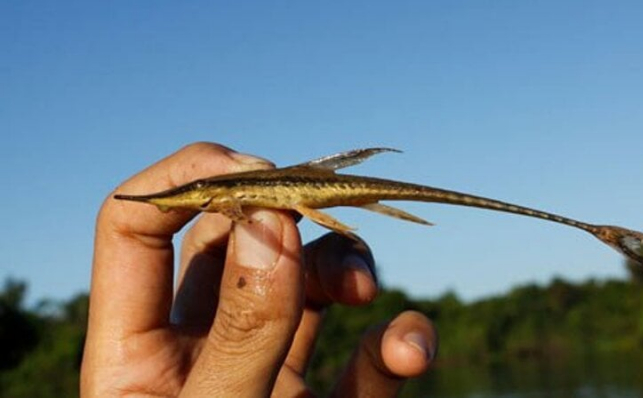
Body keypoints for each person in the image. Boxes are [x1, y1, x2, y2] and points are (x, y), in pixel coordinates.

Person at [81, 142, 438, 397]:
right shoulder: (224, 196)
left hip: (300, 186)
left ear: (205, 191)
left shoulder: (225, 192)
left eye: (186, 194)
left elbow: (239, 210)